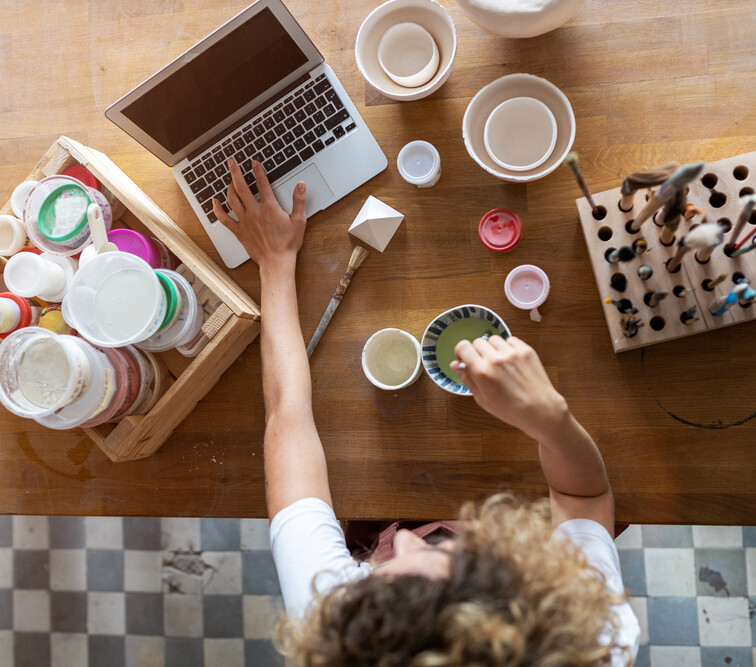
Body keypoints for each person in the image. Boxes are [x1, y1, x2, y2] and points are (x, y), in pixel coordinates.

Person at [212, 158, 640, 666]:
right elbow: (582, 494)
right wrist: (550, 418)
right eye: (439, 555)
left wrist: (275, 263)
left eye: (378, 570)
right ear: (521, 594)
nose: (411, 544)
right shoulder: (589, 635)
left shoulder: (340, 620)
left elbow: (287, 415)